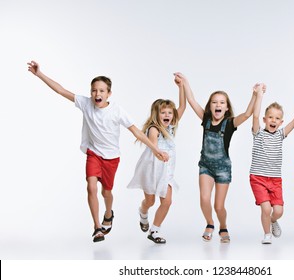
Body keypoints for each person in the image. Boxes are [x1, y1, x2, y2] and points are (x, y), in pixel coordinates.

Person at [27, 61, 168, 243]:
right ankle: (97, 228)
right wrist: (40, 74)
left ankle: (108, 214)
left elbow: (136, 132)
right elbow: (61, 91)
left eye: (101, 90)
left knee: (106, 193)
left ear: (109, 93)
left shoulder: (117, 111)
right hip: (93, 154)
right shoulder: (86, 104)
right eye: (94, 90)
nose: (97, 94)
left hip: (112, 158)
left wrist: (155, 149)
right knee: (91, 187)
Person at [176, 73, 256, 243]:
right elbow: (191, 101)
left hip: (223, 169)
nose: (218, 105)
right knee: (204, 199)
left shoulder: (230, 124)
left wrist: (255, 95)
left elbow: (248, 114)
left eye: (222, 102)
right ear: (210, 107)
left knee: (219, 206)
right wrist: (185, 82)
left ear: (226, 108)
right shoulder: (205, 119)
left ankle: (223, 226)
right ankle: (210, 223)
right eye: (214, 102)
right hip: (205, 165)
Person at [127, 73, 186, 244]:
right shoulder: (154, 129)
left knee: (167, 202)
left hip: (166, 173)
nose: (167, 115)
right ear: (156, 114)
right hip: (152, 171)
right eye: (163, 112)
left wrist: (181, 86)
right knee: (150, 201)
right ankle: (143, 212)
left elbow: (182, 106)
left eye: (169, 113)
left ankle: (155, 230)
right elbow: (154, 148)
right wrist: (160, 153)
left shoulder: (172, 127)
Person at [249, 84, 294, 244]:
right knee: (266, 209)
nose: (273, 120)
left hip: (275, 180)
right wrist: (259, 95)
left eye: (277, 118)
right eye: (270, 117)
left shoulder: (281, 135)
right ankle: (267, 234)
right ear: (265, 119)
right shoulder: (258, 133)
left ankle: (273, 221)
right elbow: (254, 116)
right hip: (258, 178)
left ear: (281, 122)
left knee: (278, 212)